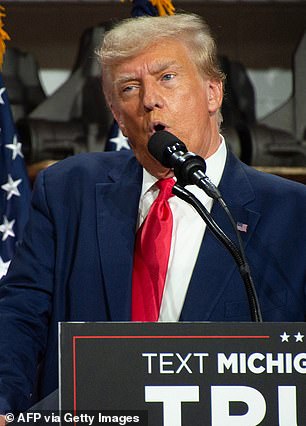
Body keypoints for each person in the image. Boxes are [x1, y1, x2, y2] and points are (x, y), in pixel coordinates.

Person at [0, 12, 306, 415]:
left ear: (213, 92)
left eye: (167, 78)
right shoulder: (68, 191)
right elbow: (19, 317)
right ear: (117, 115)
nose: (149, 100)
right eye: (129, 88)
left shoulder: (293, 212)